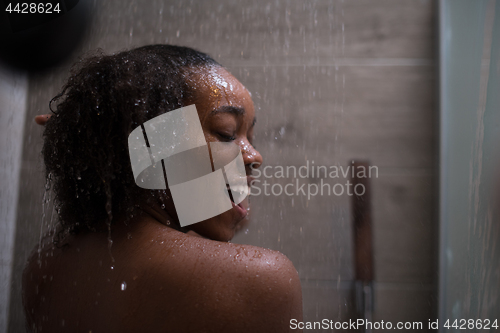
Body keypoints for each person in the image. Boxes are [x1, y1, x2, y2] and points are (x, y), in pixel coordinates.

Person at [22, 44, 303, 333]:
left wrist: (98, 139)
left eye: (251, 139)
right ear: (152, 145)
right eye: (227, 133)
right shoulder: (263, 279)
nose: (255, 156)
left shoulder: (47, 267)